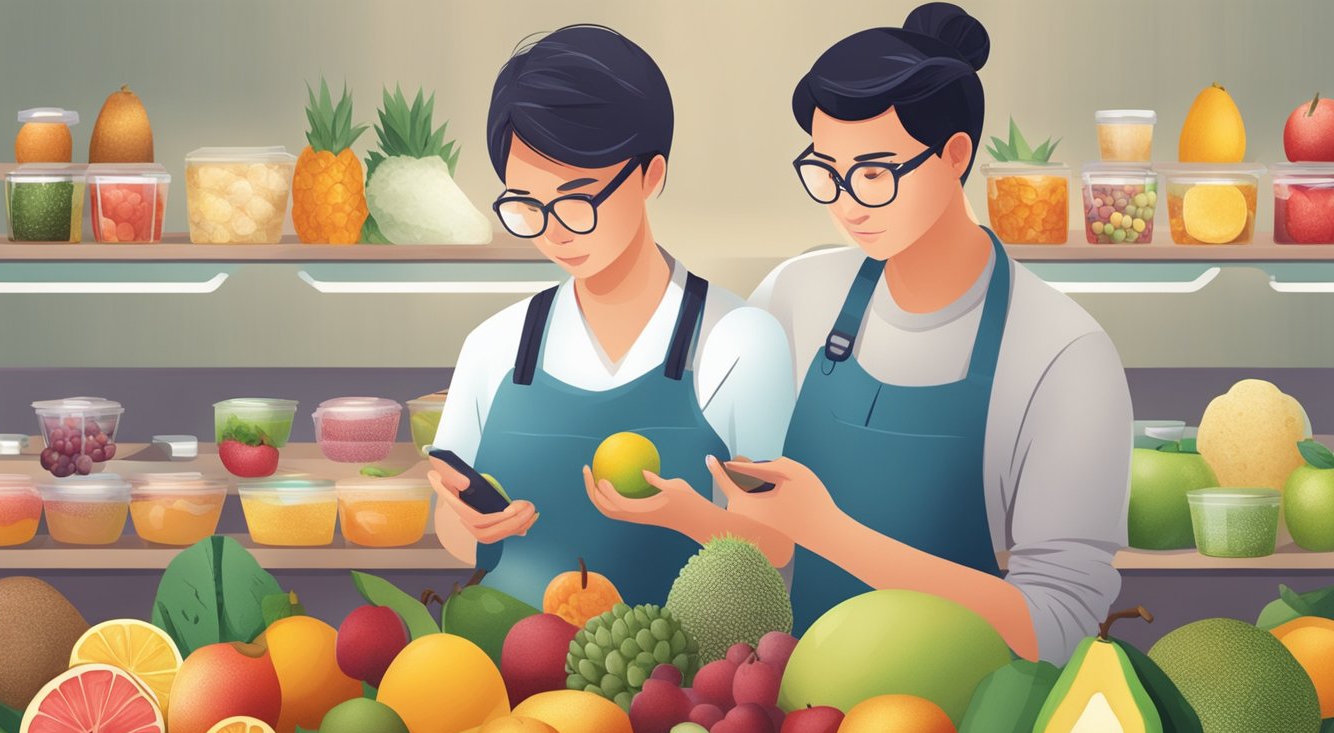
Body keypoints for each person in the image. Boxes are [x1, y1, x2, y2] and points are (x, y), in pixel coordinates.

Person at [593, 3, 1131, 665]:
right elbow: (775, 551)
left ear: (954, 156)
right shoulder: (796, 297)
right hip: (793, 710)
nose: (845, 203)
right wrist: (694, 517)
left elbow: (1061, 629)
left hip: (959, 725)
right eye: (826, 172)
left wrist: (833, 532)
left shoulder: (1062, 355)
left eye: (873, 174)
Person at [427, 25, 795, 608]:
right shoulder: (495, 346)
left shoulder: (738, 341)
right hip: (510, 674)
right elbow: (450, 527)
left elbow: (778, 543)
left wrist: (690, 517)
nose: (552, 230)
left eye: (577, 201)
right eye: (526, 205)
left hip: (677, 680)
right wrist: (470, 525)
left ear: (651, 175)